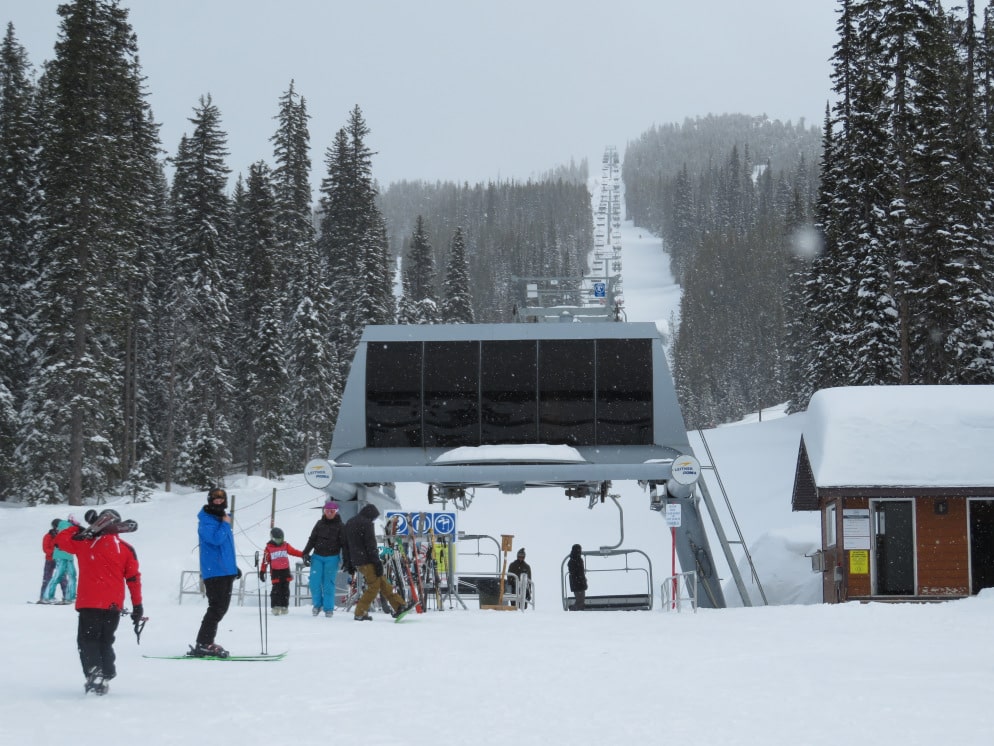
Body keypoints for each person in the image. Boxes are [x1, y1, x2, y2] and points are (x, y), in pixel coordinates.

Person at [53, 510, 143, 696]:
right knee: (105, 640)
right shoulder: (126, 548)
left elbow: (60, 541)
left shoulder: (85, 543)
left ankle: (96, 674)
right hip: (113, 605)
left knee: (88, 640)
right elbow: (133, 578)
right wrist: (137, 605)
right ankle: (106, 672)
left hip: (90, 602)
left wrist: (77, 528)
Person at [342, 503, 414, 621]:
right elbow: (371, 545)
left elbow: (345, 545)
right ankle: (360, 612)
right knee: (374, 587)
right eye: (374, 517)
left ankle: (400, 606)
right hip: (368, 560)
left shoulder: (350, 522)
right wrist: (377, 563)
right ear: (371, 514)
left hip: (358, 560)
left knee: (383, 584)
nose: (374, 520)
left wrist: (349, 562)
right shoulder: (367, 524)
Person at [192, 486, 240, 657]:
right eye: (215, 498)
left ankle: (206, 641)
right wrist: (226, 524)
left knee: (221, 608)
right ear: (210, 500)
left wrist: (233, 568)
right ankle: (203, 642)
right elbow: (215, 540)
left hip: (224, 570)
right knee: (217, 608)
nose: (218, 501)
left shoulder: (221, 519)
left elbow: (226, 549)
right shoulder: (206, 520)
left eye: (221, 498)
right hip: (214, 572)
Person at [301, 500, 347, 617]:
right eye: (327, 511)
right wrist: (305, 552)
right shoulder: (319, 524)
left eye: (332, 511)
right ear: (324, 511)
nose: (329, 513)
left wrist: (346, 559)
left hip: (332, 558)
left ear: (336, 512)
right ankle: (317, 605)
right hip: (317, 557)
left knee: (328, 584)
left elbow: (344, 544)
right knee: (314, 583)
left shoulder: (340, 526)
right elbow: (312, 539)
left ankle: (328, 608)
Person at [259, 527, 303, 615]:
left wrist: (303, 554)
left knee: (285, 589)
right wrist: (262, 571)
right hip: (275, 572)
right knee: (276, 589)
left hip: (285, 571)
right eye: (278, 540)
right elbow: (265, 561)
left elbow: (294, 552)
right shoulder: (268, 548)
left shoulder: (285, 545)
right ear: (272, 538)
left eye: (281, 539)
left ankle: (284, 606)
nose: (280, 541)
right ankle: (275, 606)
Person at [43, 518, 78, 604]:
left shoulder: (70, 529)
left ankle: (70, 597)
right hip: (60, 556)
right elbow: (52, 545)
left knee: (72, 576)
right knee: (58, 576)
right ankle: (47, 597)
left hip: (68, 556)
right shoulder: (62, 530)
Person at [39, 519, 70, 603]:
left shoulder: (63, 535)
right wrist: (54, 553)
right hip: (50, 560)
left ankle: (67, 597)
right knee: (47, 578)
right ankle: (44, 597)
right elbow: (45, 548)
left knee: (63, 578)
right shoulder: (48, 536)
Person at [567, 543, 587, 611]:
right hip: (578, 583)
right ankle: (573, 610)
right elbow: (579, 573)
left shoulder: (573, 559)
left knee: (580, 601)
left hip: (576, 583)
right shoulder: (576, 560)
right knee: (580, 601)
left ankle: (575, 610)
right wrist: (582, 580)